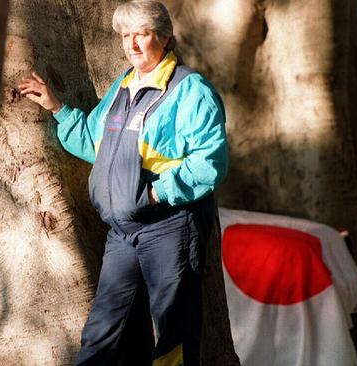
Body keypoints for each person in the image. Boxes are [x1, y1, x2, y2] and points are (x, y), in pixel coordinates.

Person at [18, 1, 228, 364]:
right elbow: (93, 143)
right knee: (102, 332)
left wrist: (154, 192)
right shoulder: (123, 86)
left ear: (163, 37)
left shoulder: (191, 90)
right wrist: (57, 108)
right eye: (125, 36)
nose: (131, 44)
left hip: (171, 226)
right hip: (123, 232)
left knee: (174, 333)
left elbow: (210, 162)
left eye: (141, 35)